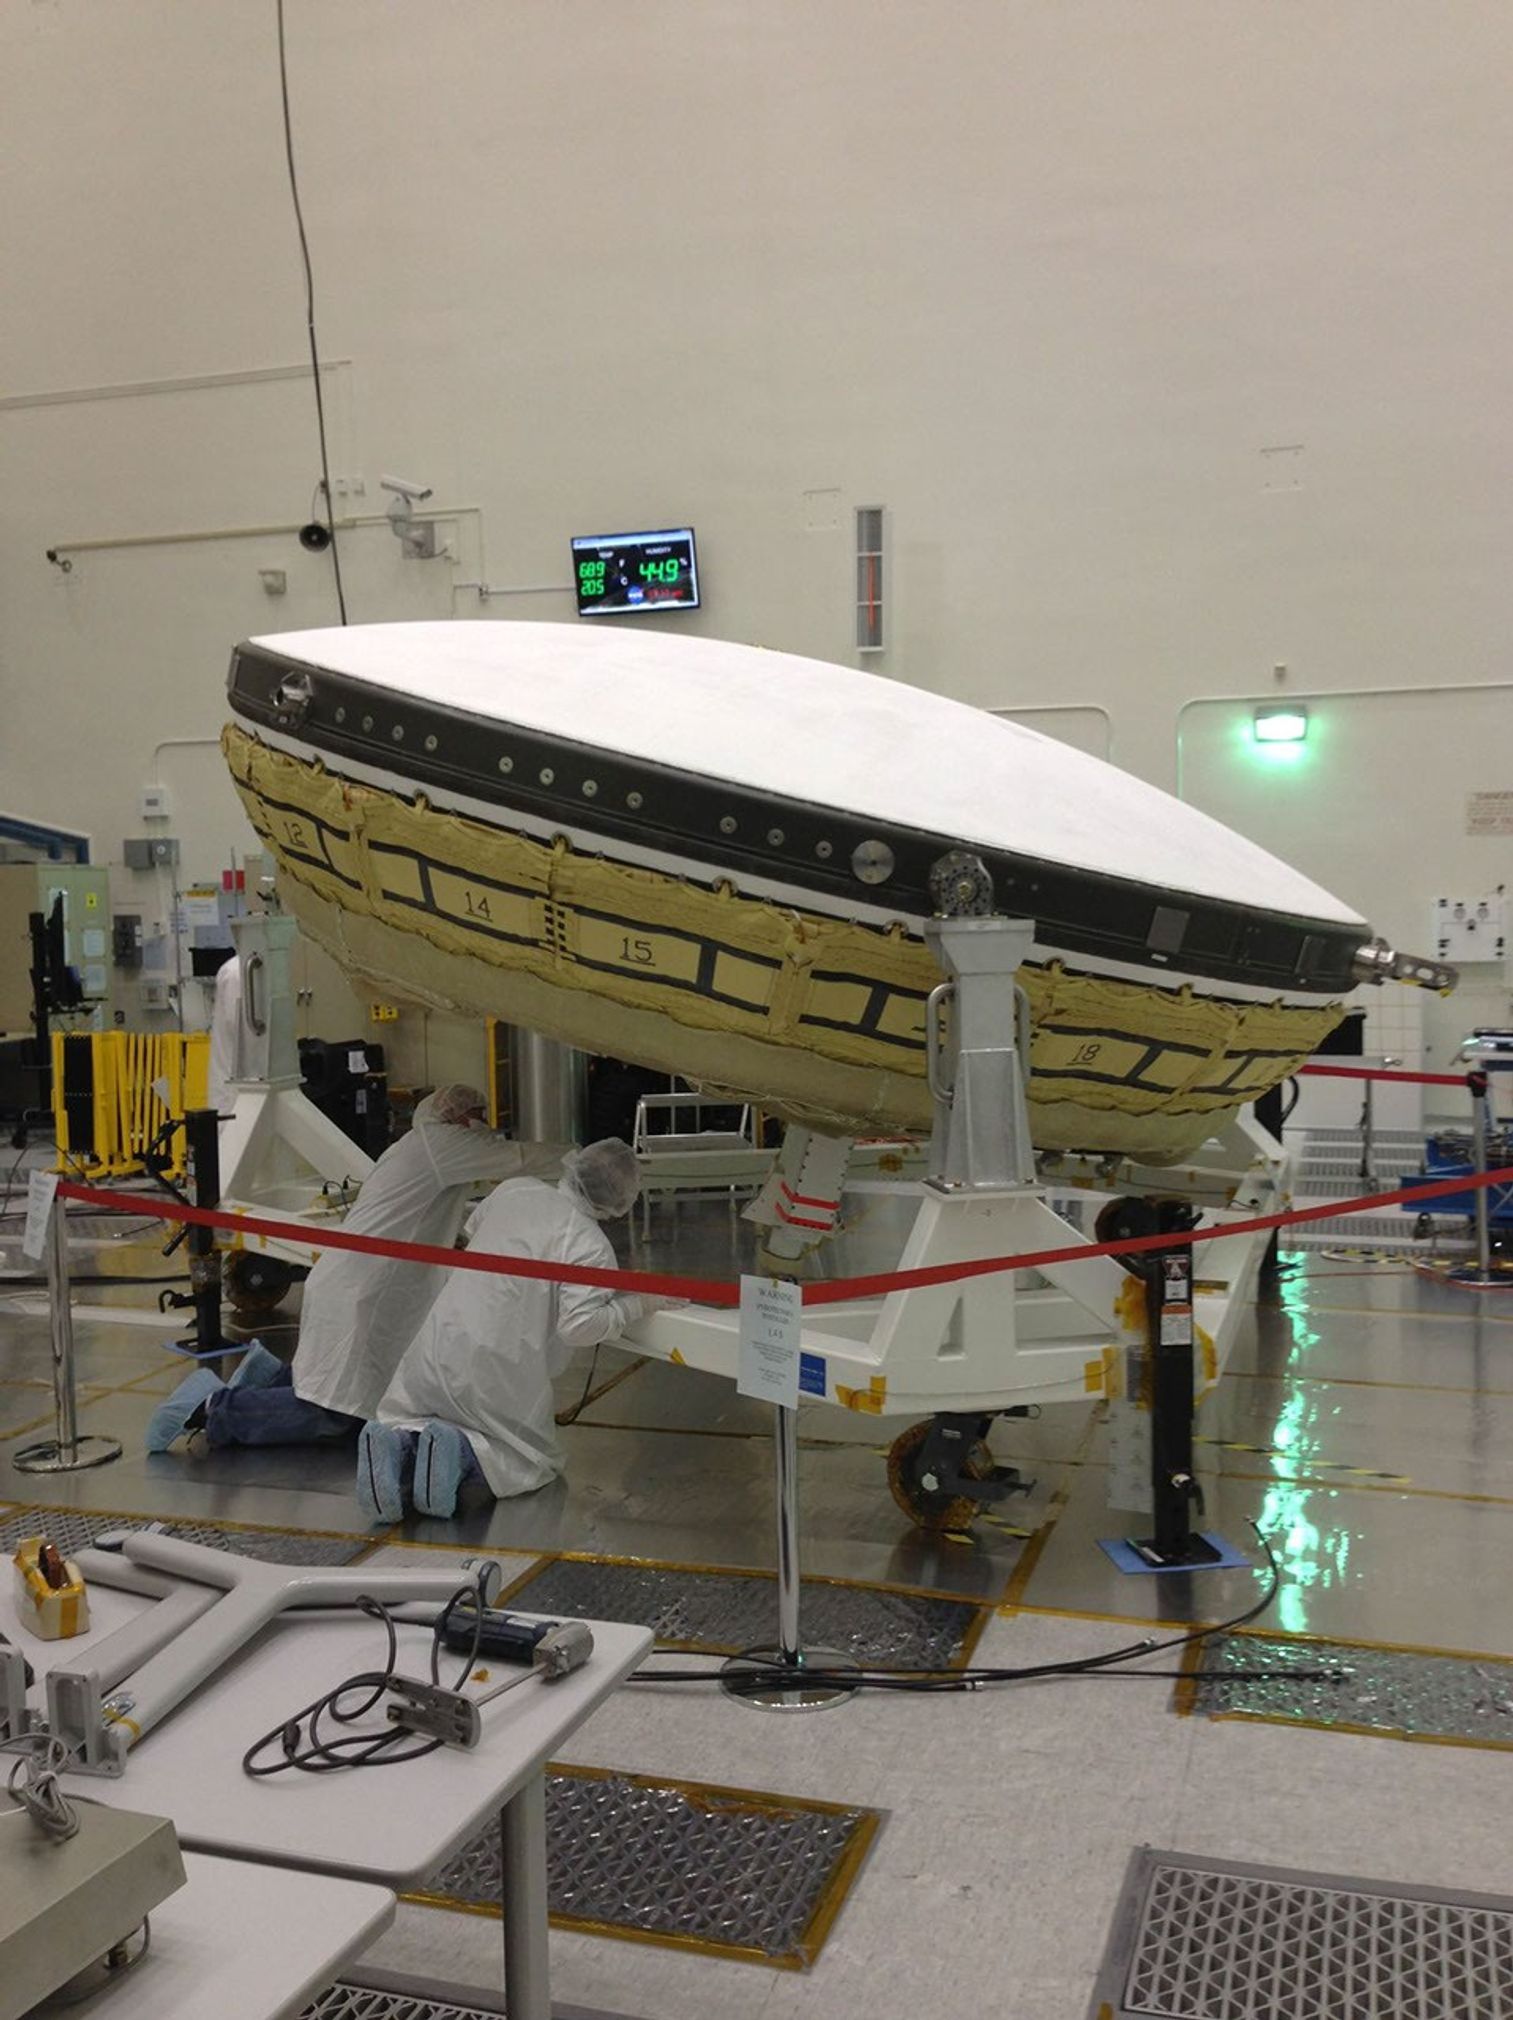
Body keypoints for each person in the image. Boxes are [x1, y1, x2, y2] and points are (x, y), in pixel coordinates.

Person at [146, 1085, 562, 1452]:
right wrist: (581, 1161)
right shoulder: (443, 1145)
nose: (483, 1127)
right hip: (362, 1293)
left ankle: (272, 1377)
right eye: (477, 1118)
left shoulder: (417, 1147)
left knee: (352, 1397)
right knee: (335, 1414)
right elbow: (517, 1158)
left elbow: (419, 1215)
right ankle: (211, 1408)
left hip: (351, 1281)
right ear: (453, 1117)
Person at [355, 1137, 668, 1523]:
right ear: (620, 1200)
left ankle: (398, 1444)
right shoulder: (590, 1244)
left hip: (440, 1339)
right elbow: (580, 1326)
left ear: (577, 1166)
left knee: (416, 1413)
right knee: (525, 1456)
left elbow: (475, 1232)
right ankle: (458, 1456)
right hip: (499, 1365)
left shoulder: (516, 1189)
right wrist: (637, 1304)